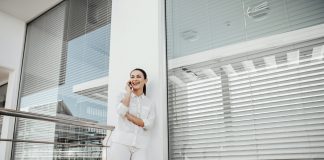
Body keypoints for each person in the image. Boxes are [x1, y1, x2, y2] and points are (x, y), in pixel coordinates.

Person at [108, 68, 155, 160]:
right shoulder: (122, 96)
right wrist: (128, 92)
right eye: (132, 77)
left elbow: (148, 124)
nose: (135, 79)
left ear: (145, 80)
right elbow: (121, 112)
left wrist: (128, 115)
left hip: (140, 146)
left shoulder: (149, 103)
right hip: (121, 142)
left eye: (138, 76)